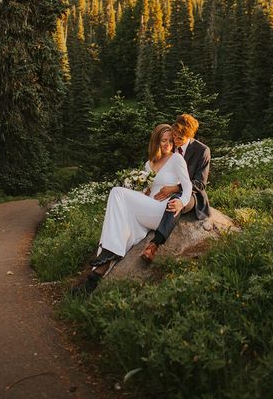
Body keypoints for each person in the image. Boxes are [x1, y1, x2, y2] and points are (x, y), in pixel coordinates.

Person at [73, 124, 192, 294]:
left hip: (161, 210)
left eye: (170, 141)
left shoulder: (177, 159)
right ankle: (95, 278)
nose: (167, 144)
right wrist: (143, 190)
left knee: (117, 193)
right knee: (122, 222)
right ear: (156, 142)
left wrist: (181, 201)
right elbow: (144, 194)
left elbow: (187, 187)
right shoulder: (148, 164)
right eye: (163, 140)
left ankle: (109, 252)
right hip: (147, 210)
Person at [140, 113, 211, 263]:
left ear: (191, 136)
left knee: (175, 201)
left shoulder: (202, 151)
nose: (176, 141)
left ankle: (154, 244)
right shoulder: (168, 147)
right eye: (175, 136)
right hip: (163, 193)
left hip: (192, 195)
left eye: (181, 138)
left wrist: (175, 188)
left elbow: (200, 183)